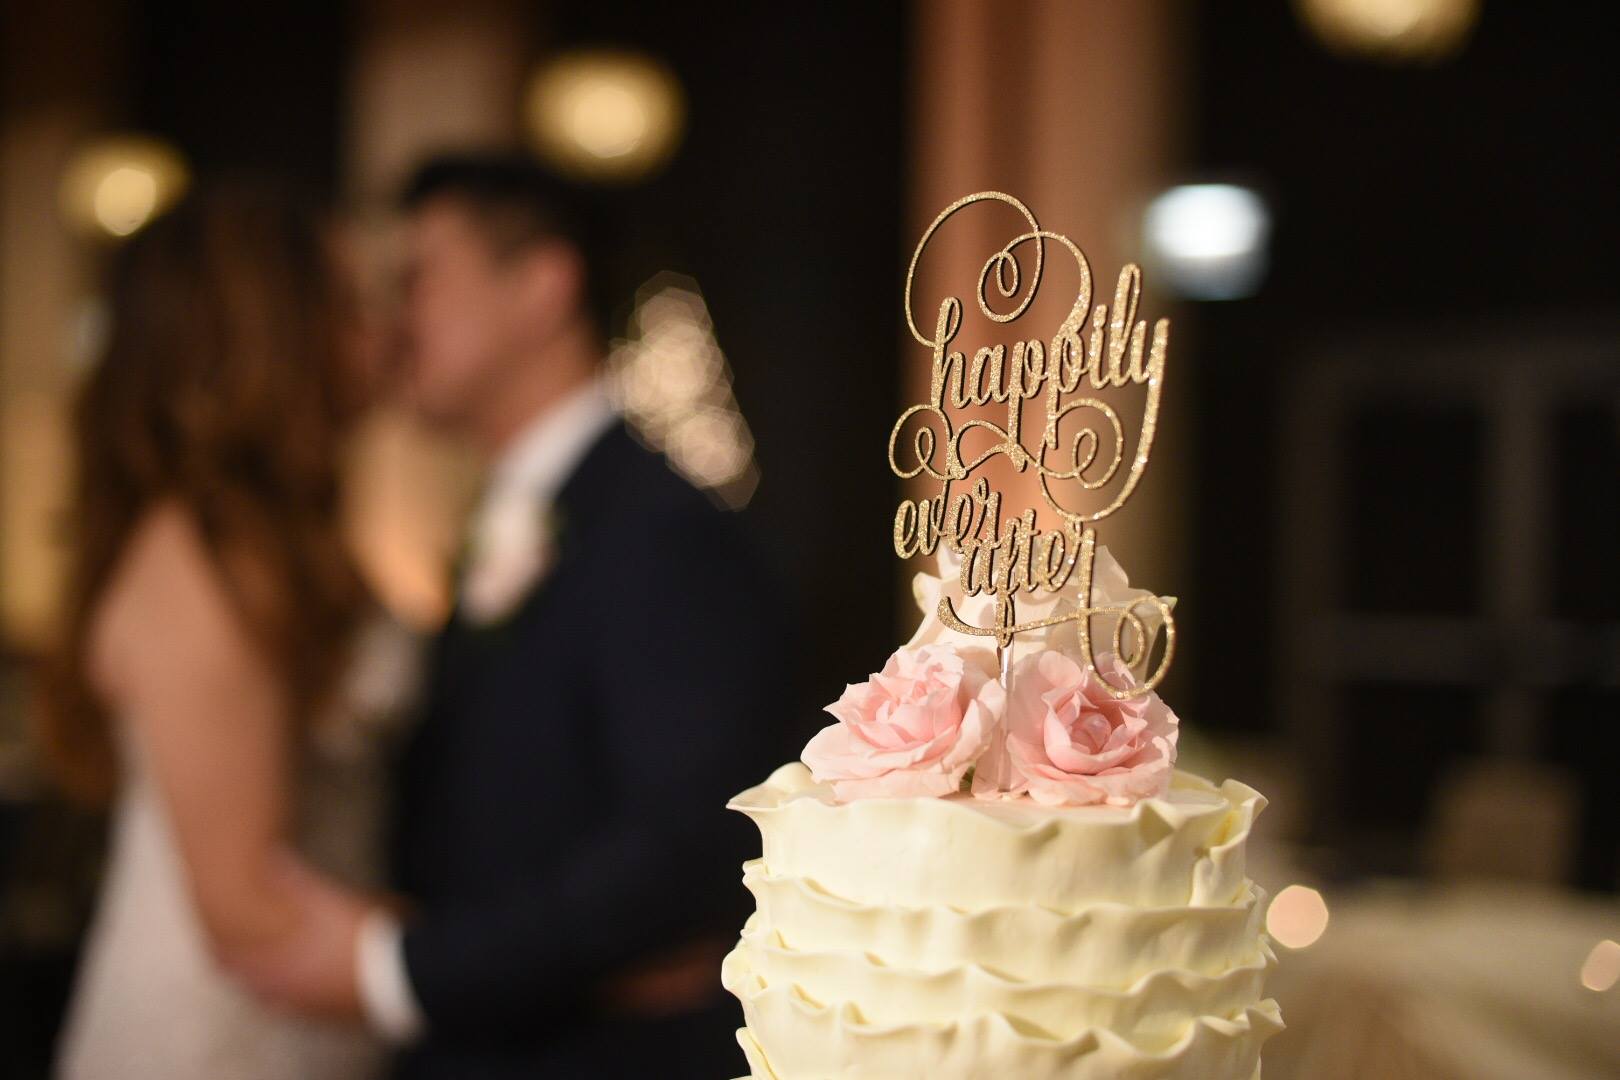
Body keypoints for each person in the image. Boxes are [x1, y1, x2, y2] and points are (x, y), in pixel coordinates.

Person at [231, 155, 788, 1078]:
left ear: (541, 286)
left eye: (422, 280)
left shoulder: (661, 529)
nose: (396, 323)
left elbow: (686, 845)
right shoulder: (504, 517)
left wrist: (405, 966)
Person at [45, 183, 411, 1079]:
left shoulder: (282, 543)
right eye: (349, 308)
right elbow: (246, 912)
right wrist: (527, 965)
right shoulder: (200, 565)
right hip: (230, 1032)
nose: (382, 335)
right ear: (273, 338)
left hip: (323, 1005)